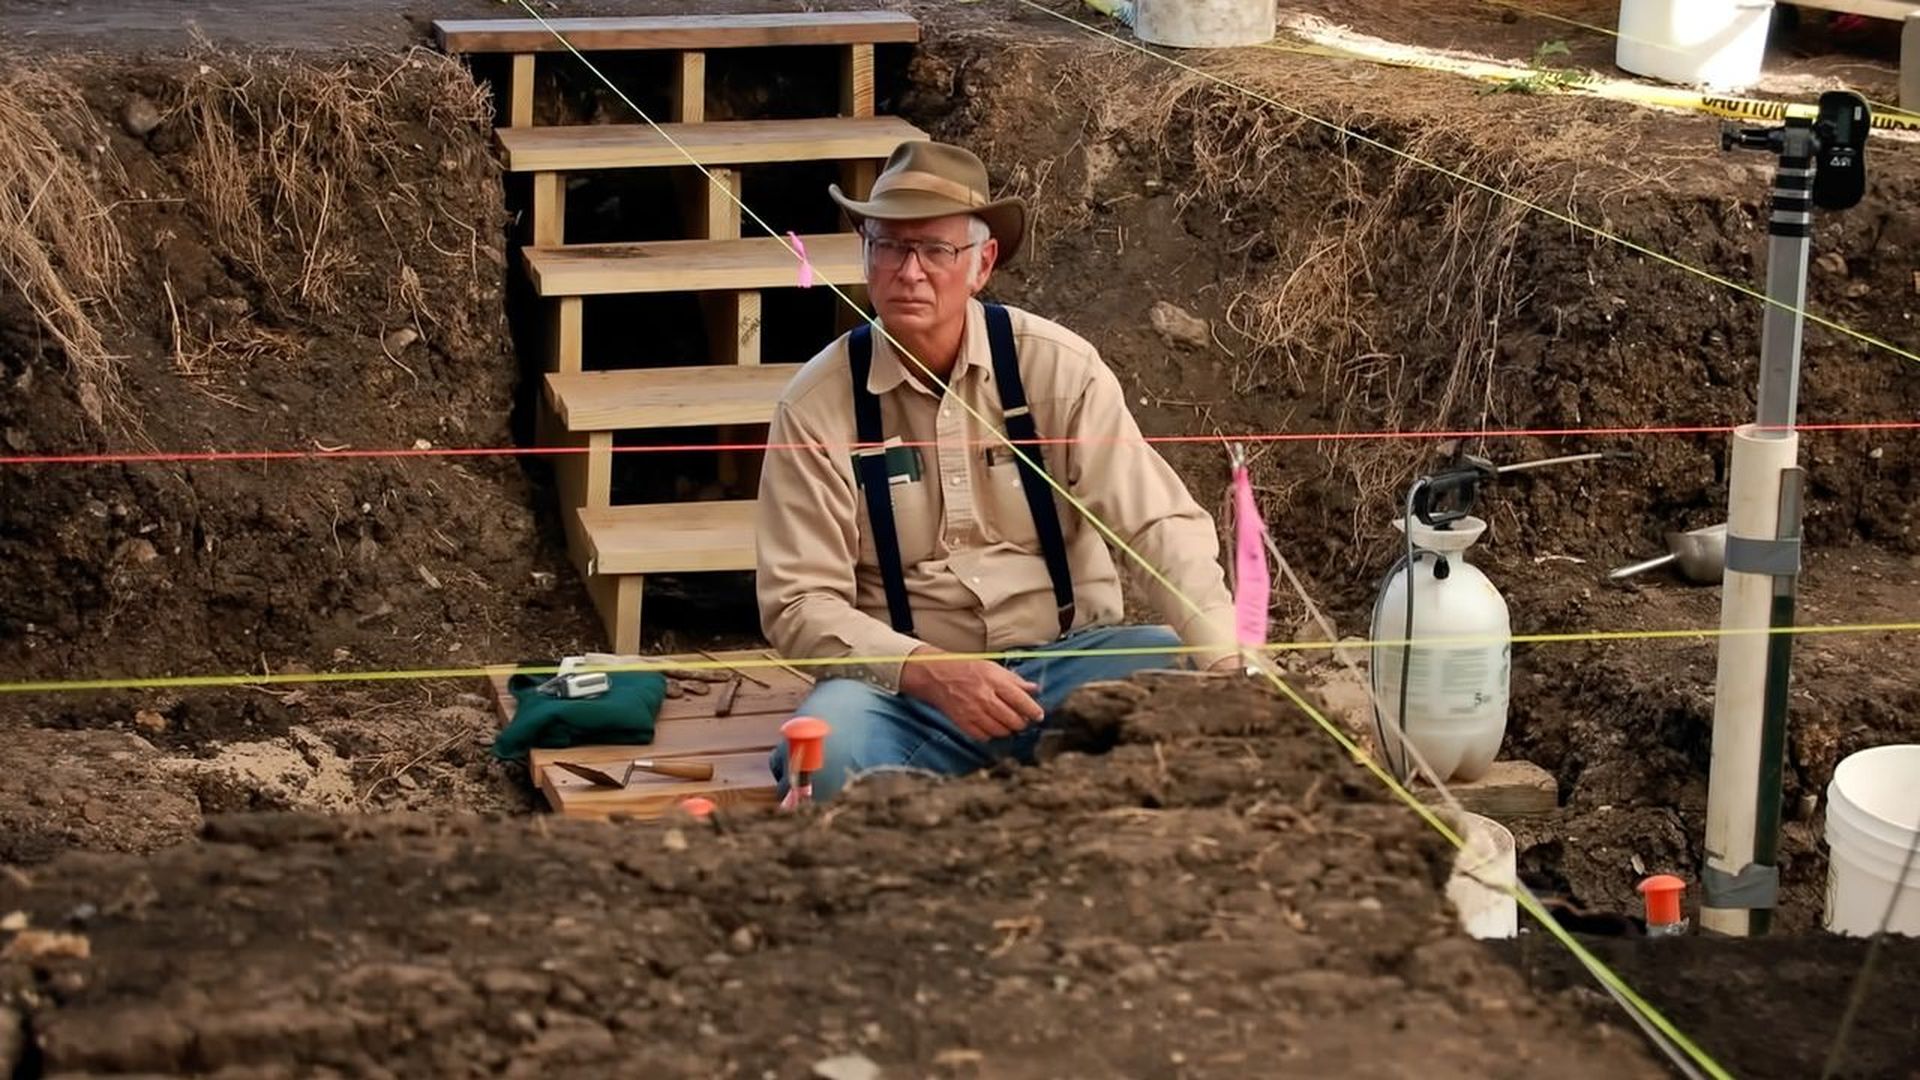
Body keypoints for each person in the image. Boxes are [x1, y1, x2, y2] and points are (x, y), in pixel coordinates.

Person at [755, 140, 1240, 801]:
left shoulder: (1058, 369)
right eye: (888, 246)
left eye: (934, 250)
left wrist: (1226, 663)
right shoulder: (818, 405)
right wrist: (930, 672)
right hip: (910, 697)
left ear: (982, 263)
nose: (909, 272)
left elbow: (1158, 523)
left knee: (1183, 680)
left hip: (1069, 671)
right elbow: (798, 603)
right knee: (824, 741)